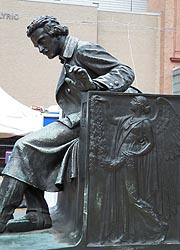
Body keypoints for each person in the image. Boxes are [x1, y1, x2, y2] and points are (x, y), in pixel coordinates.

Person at [0, 15, 139, 233]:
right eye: (37, 45)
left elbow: (125, 72)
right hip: (78, 120)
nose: (40, 49)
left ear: (56, 33)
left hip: (91, 121)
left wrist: (94, 85)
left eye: (42, 41)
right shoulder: (67, 59)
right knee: (29, 150)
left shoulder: (82, 50)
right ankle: (37, 215)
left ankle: (5, 217)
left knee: (23, 147)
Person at [98, 96, 167, 243]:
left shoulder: (145, 123)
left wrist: (136, 153)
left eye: (135, 101)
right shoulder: (127, 119)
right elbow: (111, 119)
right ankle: (124, 232)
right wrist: (106, 103)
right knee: (121, 196)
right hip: (119, 156)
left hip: (130, 160)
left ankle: (158, 224)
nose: (132, 102)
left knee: (132, 197)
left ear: (141, 106)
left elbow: (150, 143)